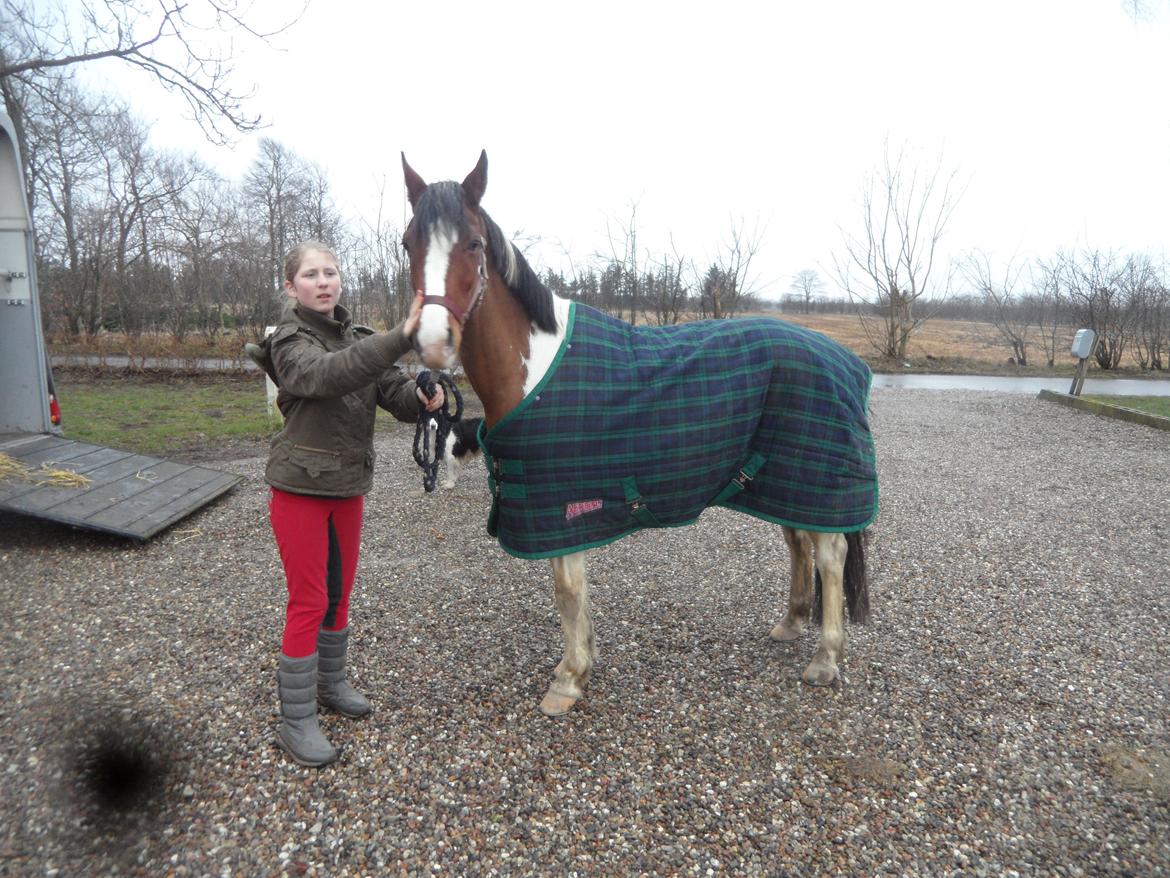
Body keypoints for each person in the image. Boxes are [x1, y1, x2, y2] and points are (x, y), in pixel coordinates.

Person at [252, 240, 443, 767]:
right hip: (300, 490)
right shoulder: (288, 342)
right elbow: (330, 376)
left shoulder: (359, 336)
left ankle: (330, 687)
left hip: (348, 488)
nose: (323, 282)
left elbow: (395, 397)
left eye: (330, 273)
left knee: (339, 597)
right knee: (309, 601)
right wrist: (402, 336)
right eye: (311, 274)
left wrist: (425, 393)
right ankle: (295, 722)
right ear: (291, 287)